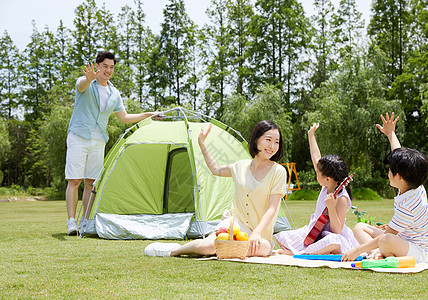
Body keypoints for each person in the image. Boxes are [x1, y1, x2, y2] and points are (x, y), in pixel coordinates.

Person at [144, 120, 287, 257]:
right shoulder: (241, 166)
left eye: (276, 142)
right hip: (235, 225)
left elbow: (272, 209)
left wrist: (256, 233)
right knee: (208, 247)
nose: (273, 146)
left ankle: (211, 249)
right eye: (268, 140)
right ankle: (174, 250)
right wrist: (201, 143)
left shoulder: (278, 171)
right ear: (256, 140)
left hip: (261, 233)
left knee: (260, 249)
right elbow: (216, 169)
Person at [65, 51, 159, 235]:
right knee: (75, 179)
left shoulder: (114, 93)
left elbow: (124, 117)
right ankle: (71, 222)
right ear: (98, 66)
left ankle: (86, 221)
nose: (108, 70)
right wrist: (88, 78)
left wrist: (148, 115)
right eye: (105, 66)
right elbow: (81, 86)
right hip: (79, 136)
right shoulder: (85, 82)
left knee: (91, 182)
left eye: (111, 67)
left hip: (99, 140)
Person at [342, 113, 428, 263]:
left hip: (418, 251)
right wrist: (391, 134)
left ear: (399, 177)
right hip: (402, 240)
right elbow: (398, 155)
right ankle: (378, 254)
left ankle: (379, 254)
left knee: (385, 239)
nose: (388, 172)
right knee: (360, 227)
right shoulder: (413, 184)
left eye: (391, 170)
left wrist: (357, 250)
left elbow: (389, 235)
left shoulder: (410, 204)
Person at [274, 123, 358, 255]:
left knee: (333, 241)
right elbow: (315, 157)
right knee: (285, 235)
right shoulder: (326, 185)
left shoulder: (342, 198)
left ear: (328, 178)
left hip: (332, 235)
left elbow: (337, 229)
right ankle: (309, 250)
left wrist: (331, 207)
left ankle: (303, 252)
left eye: (317, 173)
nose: (316, 173)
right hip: (315, 231)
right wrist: (311, 134)